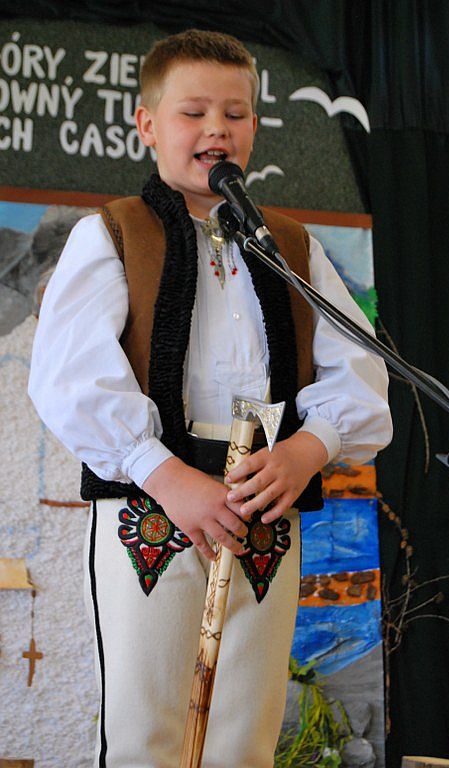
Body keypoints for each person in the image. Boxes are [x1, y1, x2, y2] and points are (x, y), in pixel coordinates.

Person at [29, 29, 392, 768]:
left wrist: (308, 448)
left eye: (235, 113)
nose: (216, 129)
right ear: (148, 124)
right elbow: (69, 377)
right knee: (148, 734)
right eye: (193, 113)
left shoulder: (292, 245)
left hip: (266, 503)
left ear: (254, 126)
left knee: (245, 736)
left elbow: (358, 367)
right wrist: (164, 474)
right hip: (150, 501)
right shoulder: (114, 233)